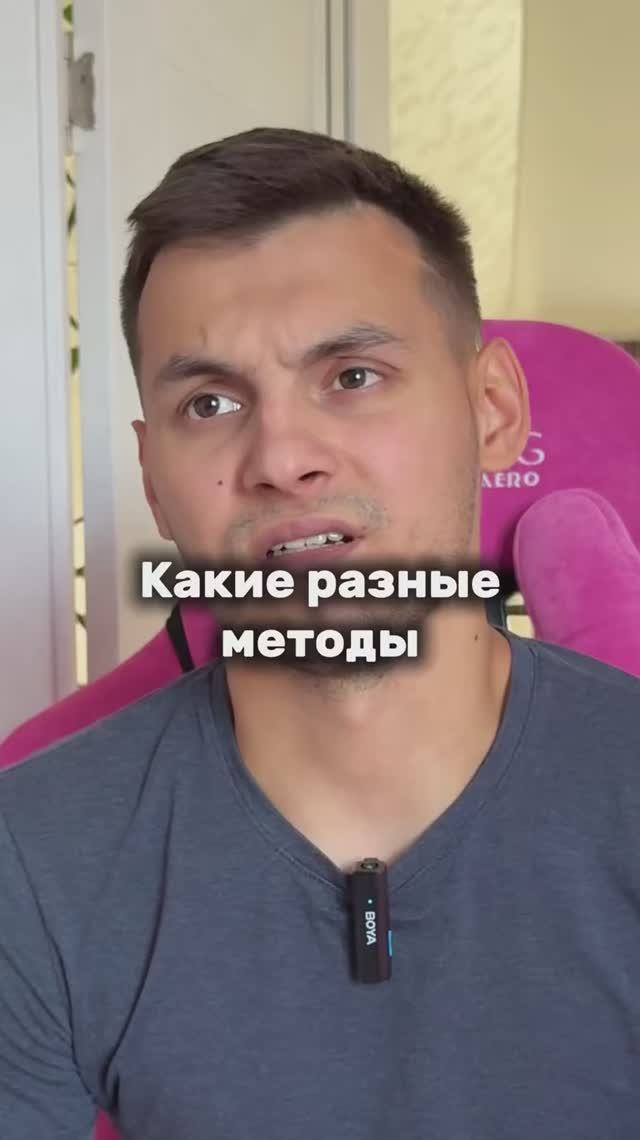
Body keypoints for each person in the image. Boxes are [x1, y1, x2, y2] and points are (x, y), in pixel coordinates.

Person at [2, 127, 640, 1140]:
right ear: (154, 477)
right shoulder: (30, 856)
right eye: (210, 401)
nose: (282, 457)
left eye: (352, 376)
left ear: (491, 410)